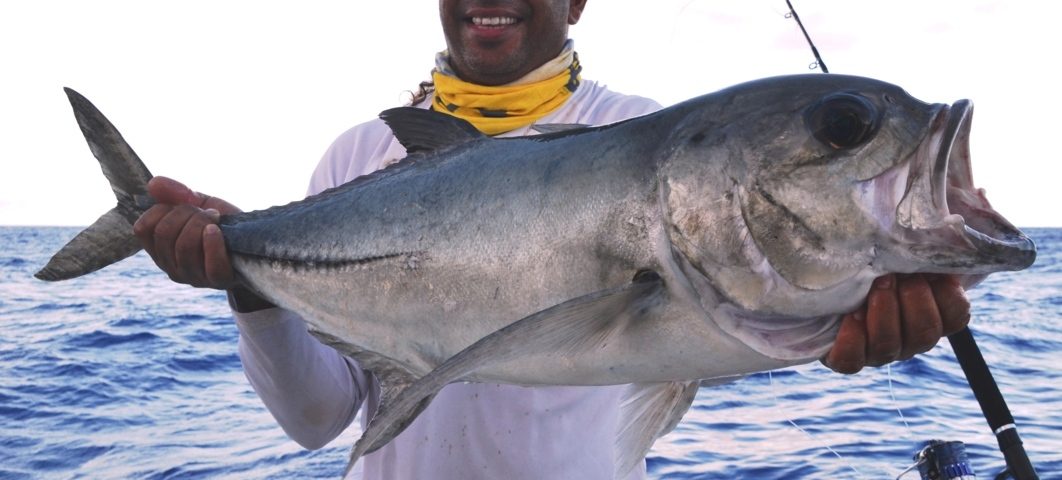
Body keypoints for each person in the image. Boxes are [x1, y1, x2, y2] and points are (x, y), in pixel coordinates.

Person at [132, 1, 972, 478]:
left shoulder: (642, 137)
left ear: (576, 0)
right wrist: (249, 284)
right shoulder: (363, 156)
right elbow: (316, 420)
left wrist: (856, 303)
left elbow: (736, 308)